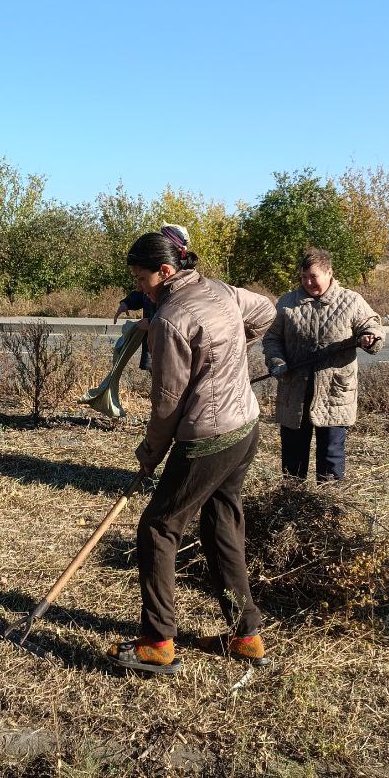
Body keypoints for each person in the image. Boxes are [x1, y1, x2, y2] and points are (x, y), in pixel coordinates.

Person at [107, 227, 276, 676]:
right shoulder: (219, 291)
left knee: (159, 527)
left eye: (142, 279)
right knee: (222, 521)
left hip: (209, 437)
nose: (140, 288)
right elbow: (265, 310)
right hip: (245, 427)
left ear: (165, 271)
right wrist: (229, 350)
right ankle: (246, 635)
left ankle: (158, 642)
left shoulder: (169, 319)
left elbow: (166, 403)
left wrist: (149, 452)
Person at [262, 247, 384, 483]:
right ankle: (291, 502)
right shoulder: (288, 303)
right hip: (294, 388)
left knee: (331, 454)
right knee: (292, 455)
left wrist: (370, 337)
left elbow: (372, 325)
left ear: (329, 273)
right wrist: (276, 360)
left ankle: (328, 508)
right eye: (304, 277)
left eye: (314, 276)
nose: (308, 282)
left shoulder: (351, 301)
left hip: (334, 392)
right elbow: (272, 338)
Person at [112, 224, 191, 372]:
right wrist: (126, 303)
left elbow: (180, 322)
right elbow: (142, 294)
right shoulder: (158, 279)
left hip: (169, 352)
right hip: (155, 346)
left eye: (141, 279)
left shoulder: (184, 286)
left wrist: (153, 322)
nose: (139, 287)